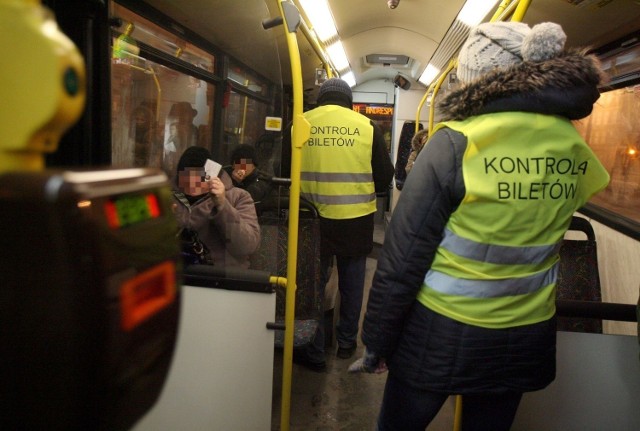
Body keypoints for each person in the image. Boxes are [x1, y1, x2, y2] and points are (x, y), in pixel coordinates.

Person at [356, 21, 610, 430]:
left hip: (440, 330)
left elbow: (403, 261)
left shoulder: (456, 143)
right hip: (525, 331)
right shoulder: (574, 146)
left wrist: (378, 342)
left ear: (477, 82)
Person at [282, 77, 394, 371]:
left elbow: (284, 172)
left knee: (312, 285)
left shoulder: (299, 124)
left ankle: (315, 349)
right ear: (348, 100)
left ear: (320, 98)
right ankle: (346, 344)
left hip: (310, 220)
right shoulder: (366, 127)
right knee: (352, 284)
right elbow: (384, 177)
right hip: (354, 220)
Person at [173, 146, 261, 269]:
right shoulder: (170, 198)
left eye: (199, 178)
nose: (192, 185)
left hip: (221, 277)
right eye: (186, 179)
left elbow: (246, 246)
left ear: (212, 175)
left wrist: (222, 205)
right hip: (176, 275)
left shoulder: (238, 197)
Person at [223, 144, 274, 210]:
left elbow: (239, 203)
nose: (242, 167)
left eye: (245, 163)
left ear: (253, 165)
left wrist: (236, 182)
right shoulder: (227, 177)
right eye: (238, 163)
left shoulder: (261, 182)